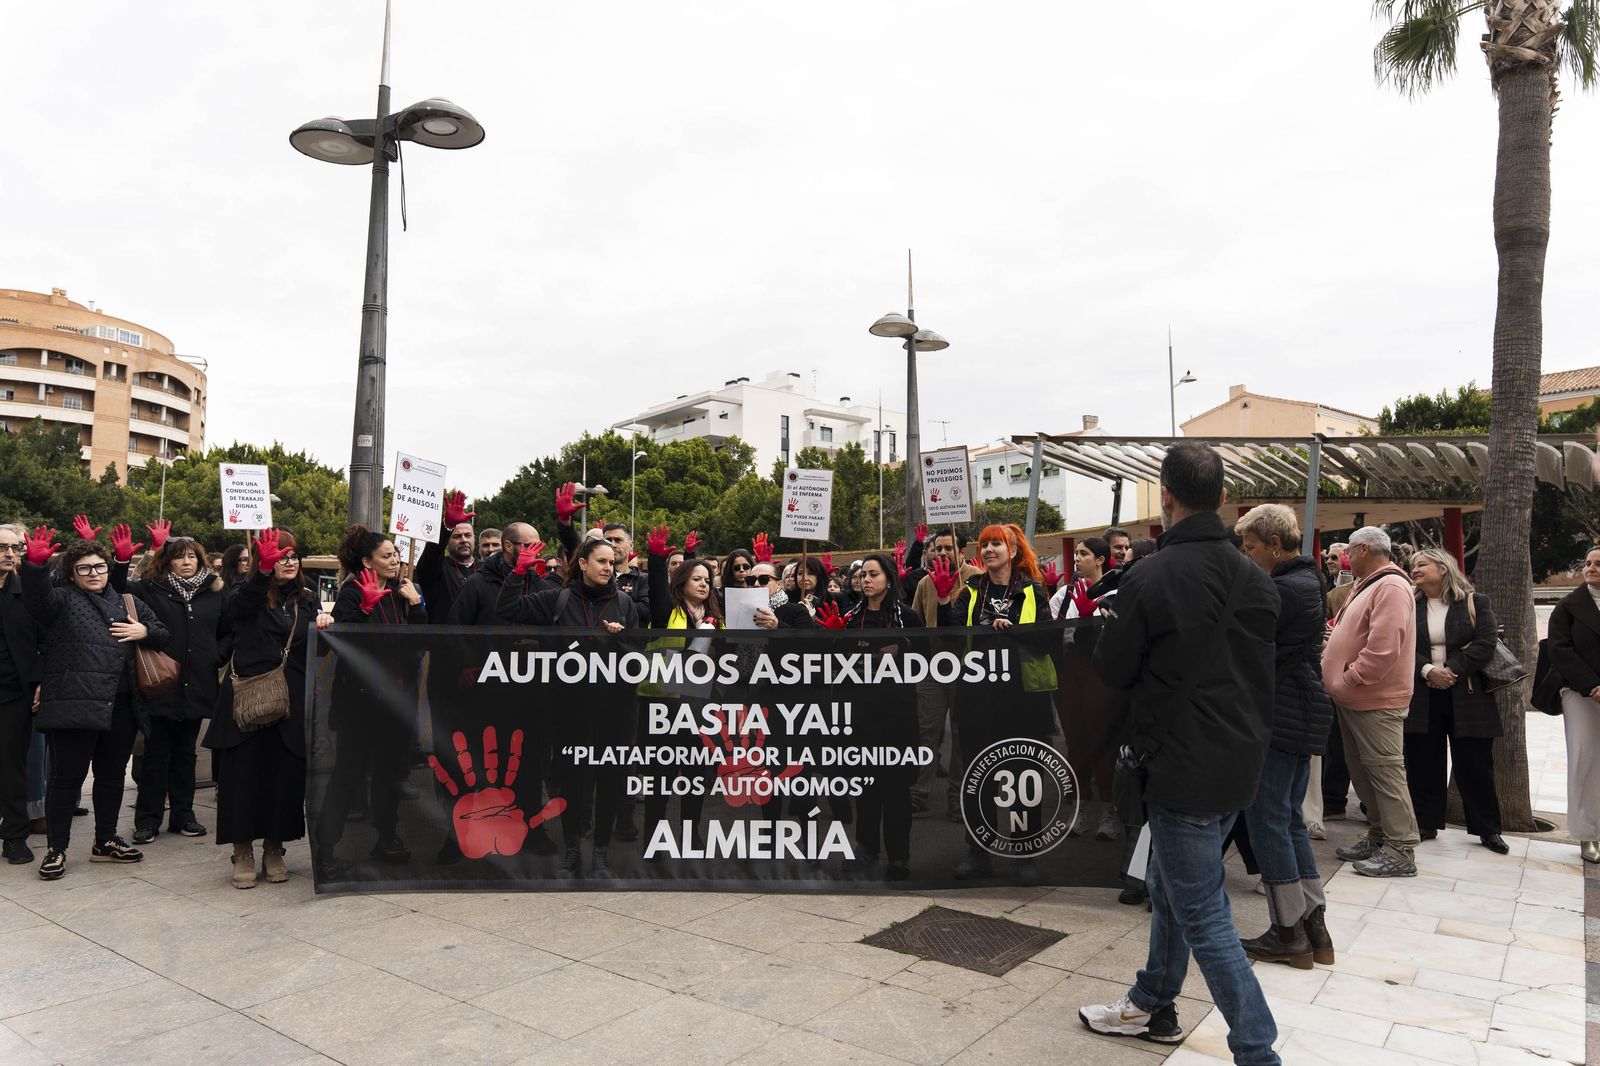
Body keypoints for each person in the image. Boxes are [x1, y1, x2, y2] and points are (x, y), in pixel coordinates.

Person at [1079, 442, 1280, 1059]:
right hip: (1240, 760)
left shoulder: (1148, 576)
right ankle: (1151, 1000)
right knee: (1168, 884)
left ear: (1165, 497)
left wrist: (1115, 629)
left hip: (1179, 765)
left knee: (1203, 912)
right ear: (1222, 499)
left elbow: (1113, 668)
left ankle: (1257, 1048)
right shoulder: (1256, 580)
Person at [20, 527, 171, 881]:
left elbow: (164, 634)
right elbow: (37, 601)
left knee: (111, 777)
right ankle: (57, 849)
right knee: (66, 780)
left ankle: (105, 841)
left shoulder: (127, 600)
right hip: (75, 704)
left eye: (99, 566)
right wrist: (35, 567)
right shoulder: (61, 599)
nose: (94, 573)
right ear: (72, 573)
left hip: (120, 704)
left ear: (109, 568)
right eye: (85, 568)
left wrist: (144, 632)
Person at [495, 536, 641, 877]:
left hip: (613, 709)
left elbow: (638, 657)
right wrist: (517, 574)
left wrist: (620, 640)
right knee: (571, 782)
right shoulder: (558, 599)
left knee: (609, 780)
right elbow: (506, 611)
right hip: (567, 709)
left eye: (612, 562)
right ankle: (573, 848)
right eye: (601, 561)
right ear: (583, 564)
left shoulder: (625, 603)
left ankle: (601, 851)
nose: (608, 567)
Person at [1233, 504, 1335, 969]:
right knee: (1288, 820)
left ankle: (1288, 932)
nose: (1246, 555)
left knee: (1268, 820)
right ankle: (1314, 928)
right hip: (1300, 711)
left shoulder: (1283, 589)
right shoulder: (1307, 580)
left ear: (1274, 544)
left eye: (1250, 547)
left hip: (1281, 713)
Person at [206, 529, 331, 888]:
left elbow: (314, 643)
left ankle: (274, 849)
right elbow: (241, 607)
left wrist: (325, 623)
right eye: (281, 557)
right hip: (248, 701)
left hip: (290, 703)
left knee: (284, 779)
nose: (288, 563)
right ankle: (242, 851)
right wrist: (261, 573)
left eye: (293, 556)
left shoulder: (307, 599)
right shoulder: (246, 595)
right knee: (242, 779)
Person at [934, 523, 1056, 881]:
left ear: (1013, 551)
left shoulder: (1033, 590)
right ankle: (978, 852)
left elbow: (1047, 640)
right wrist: (943, 602)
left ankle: (1024, 855)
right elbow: (950, 640)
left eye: (996, 544)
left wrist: (1012, 628)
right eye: (984, 545)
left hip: (1024, 700)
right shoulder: (971, 590)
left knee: (1024, 779)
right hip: (978, 699)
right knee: (979, 777)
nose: (988, 550)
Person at [319, 525, 428, 868]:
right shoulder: (352, 591)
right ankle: (326, 847)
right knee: (348, 774)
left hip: (397, 700)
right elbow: (344, 644)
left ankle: (387, 837)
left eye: (396, 554)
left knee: (390, 772)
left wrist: (418, 605)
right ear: (367, 561)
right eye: (386, 556)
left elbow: (422, 641)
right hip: (360, 704)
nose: (395, 560)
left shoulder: (405, 590)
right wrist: (364, 611)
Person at [111, 522, 225, 844]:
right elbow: (120, 589)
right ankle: (147, 820)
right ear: (168, 561)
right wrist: (121, 561)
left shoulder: (214, 593)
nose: (187, 562)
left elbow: (229, 630)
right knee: (155, 754)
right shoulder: (153, 587)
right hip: (160, 683)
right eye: (179, 557)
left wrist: (217, 653)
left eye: (192, 557)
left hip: (197, 683)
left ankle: (183, 815)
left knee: (186, 754)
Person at [1322, 525, 1420, 878]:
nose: (1345, 557)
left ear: (1364, 549)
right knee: (1364, 771)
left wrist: (1351, 676)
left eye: (1349, 550)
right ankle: (1381, 835)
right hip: (1355, 698)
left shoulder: (1391, 586)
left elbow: (1384, 648)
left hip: (1375, 698)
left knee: (1384, 773)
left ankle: (1401, 848)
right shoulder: (1371, 584)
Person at [1404, 548, 1507, 854]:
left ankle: (1488, 830)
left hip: (1468, 693)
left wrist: (1452, 670)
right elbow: (1399, 642)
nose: (1415, 569)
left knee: (1475, 764)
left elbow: (1486, 641)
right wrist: (1428, 670)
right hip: (1423, 693)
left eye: (1422, 564)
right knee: (1422, 760)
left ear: (1444, 569)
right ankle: (1425, 822)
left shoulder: (1476, 602)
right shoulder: (1408, 604)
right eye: (1413, 566)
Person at [827, 553, 921, 880]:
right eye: (862, 575)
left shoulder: (908, 619)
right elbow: (835, 666)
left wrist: (901, 650)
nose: (865, 580)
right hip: (862, 716)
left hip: (898, 716)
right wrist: (836, 639)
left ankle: (899, 856)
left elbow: (925, 661)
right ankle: (866, 851)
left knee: (896, 789)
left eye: (873, 574)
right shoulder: (851, 618)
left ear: (889, 578)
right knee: (866, 787)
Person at [908, 531, 978, 821]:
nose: (942, 553)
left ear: (962, 552)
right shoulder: (925, 582)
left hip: (967, 665)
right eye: (937, 549)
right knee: (926, 731)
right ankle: (918, 794)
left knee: (963, 731)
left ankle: (957, 795)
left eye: (949, 548)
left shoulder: (977, 578)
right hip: (932, 667)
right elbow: (916, 622)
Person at [1548, 546, 1600, 863]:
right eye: (1588, 563)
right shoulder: (1568, 606)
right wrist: (1591, 684)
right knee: (1585, 761)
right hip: (1580, 693)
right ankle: (1587, 835)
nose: (1591, 568)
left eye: (1598, 564)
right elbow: (1560, 651)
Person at [0, 524, 44, 865]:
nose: (9, 553)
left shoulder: (27, 592)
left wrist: (41, 681)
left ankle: (15, 836)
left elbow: (45, 642)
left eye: (15, 548)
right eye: (2, 547)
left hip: (14, 695)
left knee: (12, 766)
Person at [414, 491, 477, 623]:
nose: (464, 540)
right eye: (457, 536)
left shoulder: (486, 569)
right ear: (448, 541)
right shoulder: (438, 568)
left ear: (474, 538)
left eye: (468, 535)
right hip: (445, 640)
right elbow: (432, 554)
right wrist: (446, 528)